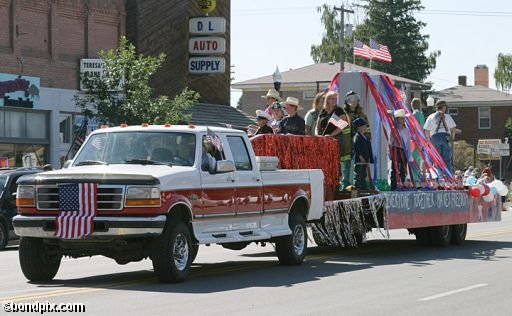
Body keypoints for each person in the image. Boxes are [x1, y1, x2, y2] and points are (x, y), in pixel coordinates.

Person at [316, 91, 349, 188]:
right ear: (328, 100)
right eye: (332, 98)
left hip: (334, 140)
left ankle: (335, 184)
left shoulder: (339, 111)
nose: (334, 100)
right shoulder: (323, 111)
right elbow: (318, 126)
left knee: (334, 163)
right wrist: (318, 136)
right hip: (323, 141)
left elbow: (342, 126)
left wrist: (330, 135)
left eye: (335, 98)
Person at [342, 91, 369, 190]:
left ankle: (359, 185)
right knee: (346, 166)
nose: (353, 102)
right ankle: (345, 186)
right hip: (346, 144)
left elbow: (367, 130)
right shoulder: (342, 114)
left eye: (355, 99)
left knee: (359, 166)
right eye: (350, 99)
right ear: (347, 101)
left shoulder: (362, 115)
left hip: (358, 144)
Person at [423, 100, 456, 172]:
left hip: (434, 137)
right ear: (443, 107)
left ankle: (440, 177)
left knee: (437, 159)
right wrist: (452, 138)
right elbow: (453, 128)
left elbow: (426, 130)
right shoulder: (447, 116)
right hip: (446, 137)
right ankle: (449, 178)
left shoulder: (431, 117)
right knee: (447, 159)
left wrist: (429, 141)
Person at [388, 109, 413, 190]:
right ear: (397, 119)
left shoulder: (406, 130)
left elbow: (408, 143)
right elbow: (390, 142)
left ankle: (402, 184)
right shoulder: (394, 130)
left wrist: (409, 155)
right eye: (401, 118)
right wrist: (390, 153)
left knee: (403, 168)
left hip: (404, 150)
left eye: (403, 118)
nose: (403, 120)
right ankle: (393, 186)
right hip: (396, 150)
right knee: (394, 169)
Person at [353, 118, 374, 190]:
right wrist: (360, 156)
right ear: (359, 128)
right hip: (360, 160)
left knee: (363, 175)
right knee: (358, 174)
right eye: (363, 127)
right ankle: (357, 187)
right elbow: (357, 148)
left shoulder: (365, 137)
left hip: (365, 160)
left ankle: (363, 187)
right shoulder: (357, 137)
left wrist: (369, 158)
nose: (365, 128)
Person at [410, 98, 425, 182]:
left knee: (413, 160)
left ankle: (415, 179)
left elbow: (412, 128)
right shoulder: (421, 115)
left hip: (414, 140)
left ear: (412, 105)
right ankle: (418, 179)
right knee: (418, 159)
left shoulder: (413, 115)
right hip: (420, 140)